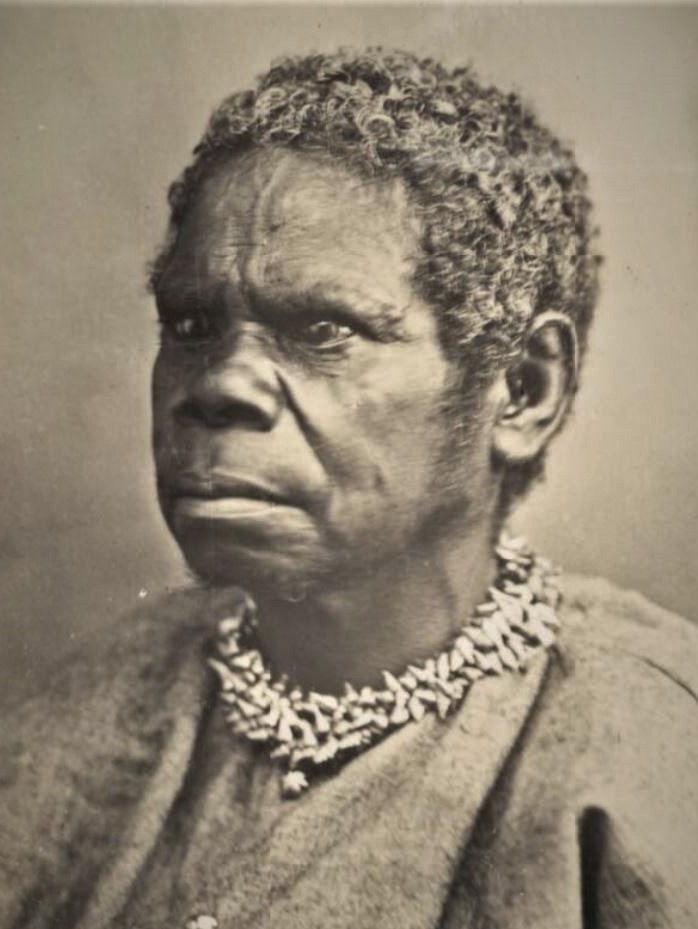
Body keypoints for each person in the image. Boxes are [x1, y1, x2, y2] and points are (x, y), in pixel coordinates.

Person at [1, 48, 696, 929]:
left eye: (323, 328)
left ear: (521, 388)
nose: (219, 384)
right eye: (190, 323)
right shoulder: (81, 717)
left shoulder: (649, 756)